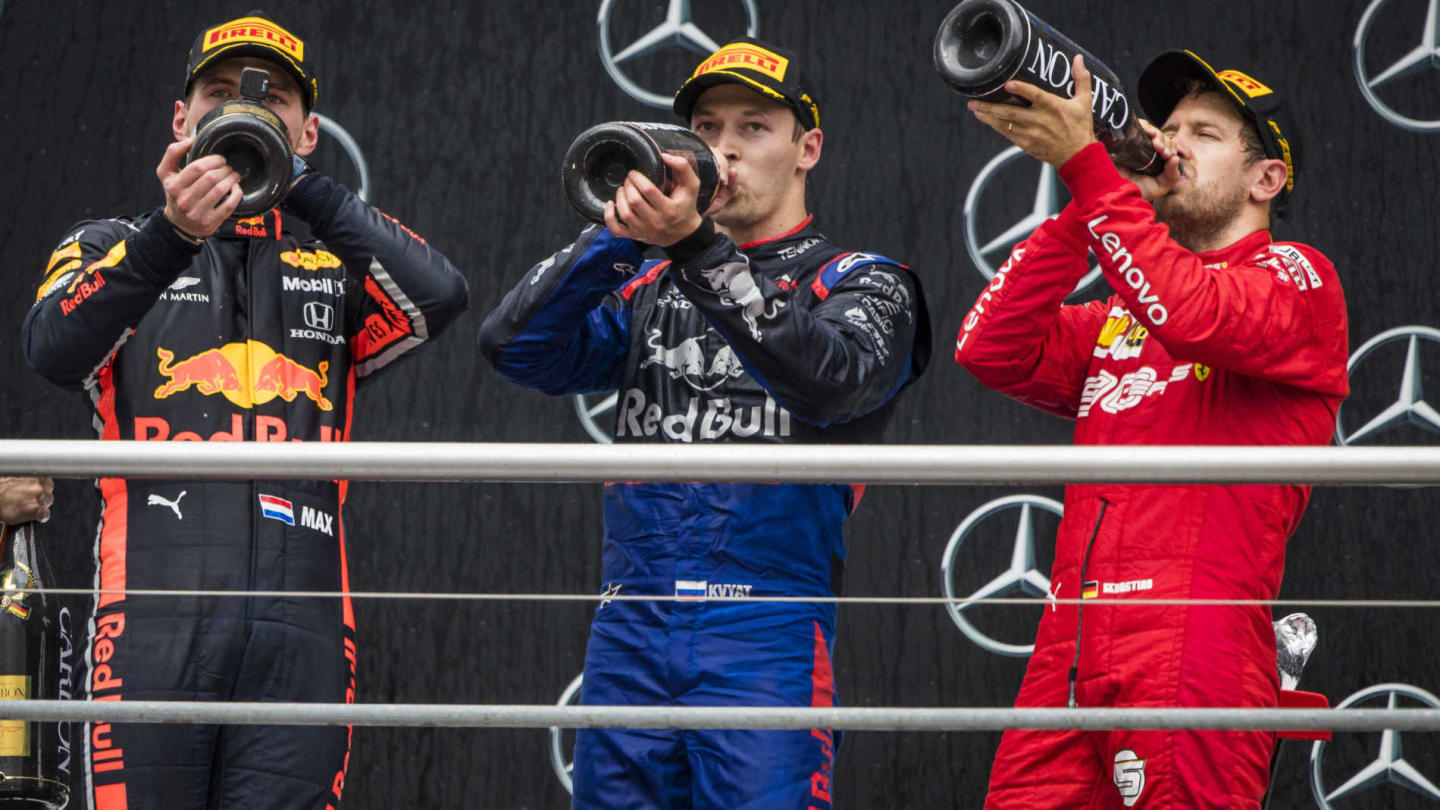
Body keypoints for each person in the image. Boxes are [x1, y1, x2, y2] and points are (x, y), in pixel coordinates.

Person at [21, 12, 468, 809]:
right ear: (181, 119)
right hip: (152, 618)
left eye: (272, 103)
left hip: (306, 629)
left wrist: (297, 183)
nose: (242, 112)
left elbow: (439, 294)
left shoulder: (333, 269)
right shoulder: (110, 243)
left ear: (310, 130)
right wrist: (171, 234)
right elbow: (52, 346)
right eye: (222, 95)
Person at [480, 36, 930, 810]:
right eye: (708, 129)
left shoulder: (861, 279)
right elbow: (517, 349)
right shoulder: (646, 281)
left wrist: (699, 249)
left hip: (765, 631)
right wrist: (621, 233)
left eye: (754, 127)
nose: (725, 151)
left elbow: (830, 382)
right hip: (630, 627)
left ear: (806, 148)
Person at [955, 49, 1348, 808]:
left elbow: (1195, 315)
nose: (1172, 144)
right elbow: (989, 346)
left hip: (1194, 634)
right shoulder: (1121, 319)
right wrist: (1084, 205)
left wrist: (1092, 177)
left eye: (1204, 133)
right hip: (1067, 648)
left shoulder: (1300, 279)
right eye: (1166, 128)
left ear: (1266, 180)